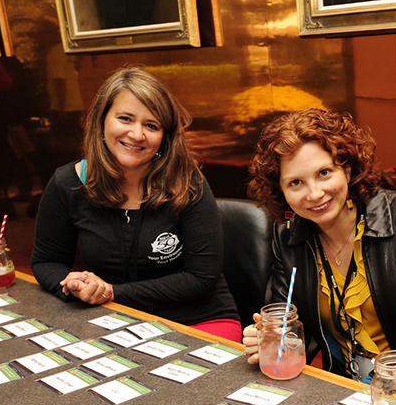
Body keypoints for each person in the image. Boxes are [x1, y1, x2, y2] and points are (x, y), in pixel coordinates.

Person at [242, 109, 396, 383]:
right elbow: (284, 320)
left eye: (324, 173)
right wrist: (267, 338)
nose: (314, 194)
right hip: (344, 385)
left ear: (347, 169)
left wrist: (381, 375)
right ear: (281, 190)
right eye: (296, 183)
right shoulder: (289, 235)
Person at [31, 66, 241, 340]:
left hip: (198, 319)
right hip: (110, 319)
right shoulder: (67, 183)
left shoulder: (188, 182)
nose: (137, 134)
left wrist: (111, 293)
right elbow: (47, 262)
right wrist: (74, 284)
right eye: (125, 118)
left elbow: (200, 278)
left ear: (164, 136)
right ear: (102, 120)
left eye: (151, 125)